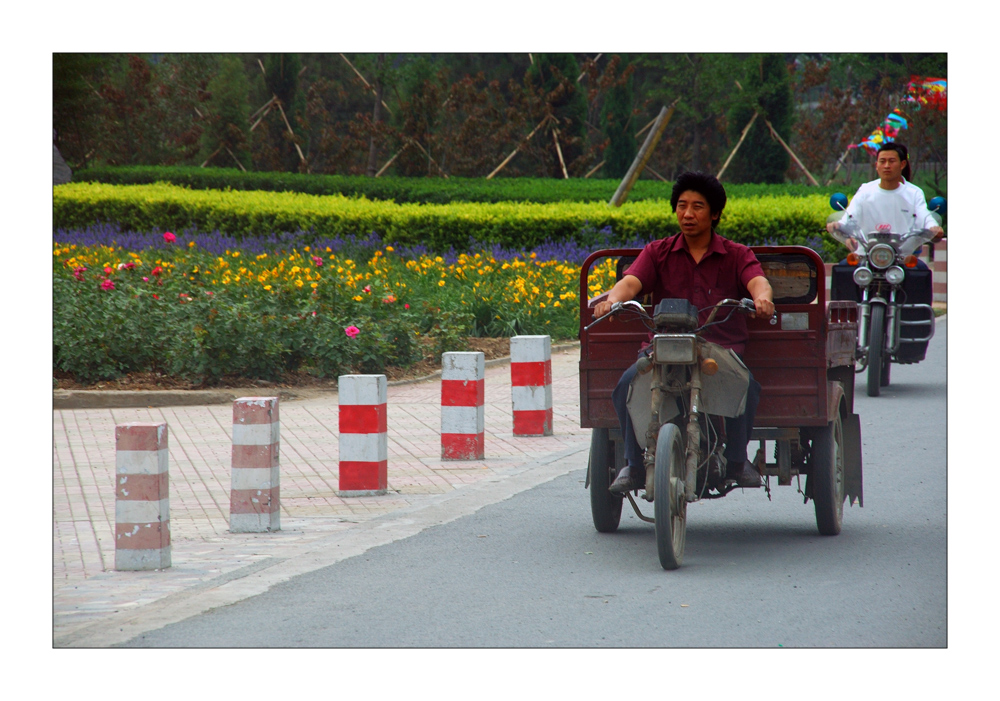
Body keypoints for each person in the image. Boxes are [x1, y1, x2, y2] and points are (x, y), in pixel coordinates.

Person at [593, 172, 774, 493]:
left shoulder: (735, 254)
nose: (687, 214)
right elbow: (631, 282)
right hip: (664, 347)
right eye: (681, 206)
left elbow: (757, 279)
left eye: (697, 207)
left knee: (748, 385)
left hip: (718, 350)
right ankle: (634, 465)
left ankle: (736, 461)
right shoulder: (658, 252)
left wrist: (762, 298)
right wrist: (613, 299)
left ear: (715, 213)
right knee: (625, 387)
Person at [827, 142, 944, 257]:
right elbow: (850, 218)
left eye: (891, 161)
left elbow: (924, 216)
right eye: (882, 161)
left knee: (921, 273)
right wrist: (838, 225)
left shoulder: (913, 193)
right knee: (841, 271)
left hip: (901, 258)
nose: (887, 166)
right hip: (866, 257)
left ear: (902, 164)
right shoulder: (865, 190)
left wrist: (933, 228)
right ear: (876, 165)